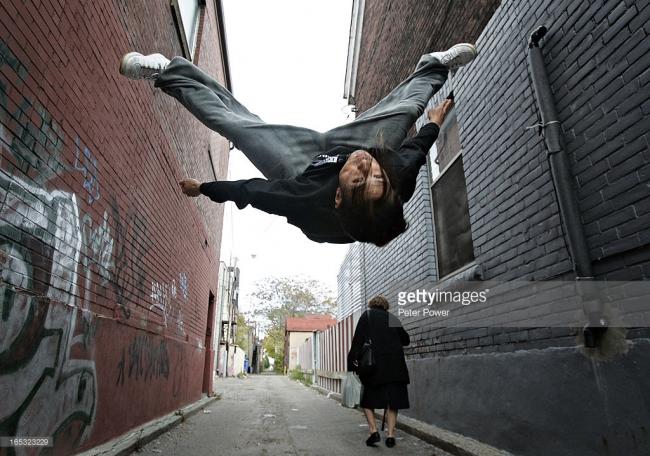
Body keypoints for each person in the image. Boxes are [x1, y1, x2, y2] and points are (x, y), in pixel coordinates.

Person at [119, 44, 477, 246]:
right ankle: (433, 66)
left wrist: (204, 188)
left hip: (300, 168)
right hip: (347, 149)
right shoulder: (394, 176)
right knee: (406, 114)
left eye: (358, 177)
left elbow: (251, 191)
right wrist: (433, 122)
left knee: (239, 128)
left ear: (338, 196)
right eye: (375, 173)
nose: (364, 165)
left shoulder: (302, 200)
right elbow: (415, 151)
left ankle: (166, 72)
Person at [347, 296, 410, 448]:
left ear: (371, 305)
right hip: (396, 367)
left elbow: (358, 341)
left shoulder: (367, 316)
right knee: (393, 401)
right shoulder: (392, 317)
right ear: (385, 306)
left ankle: (373, 431)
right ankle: (390, 435)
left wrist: (351, 364)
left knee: (368, 401)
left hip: (374, 367)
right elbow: (406, 340)